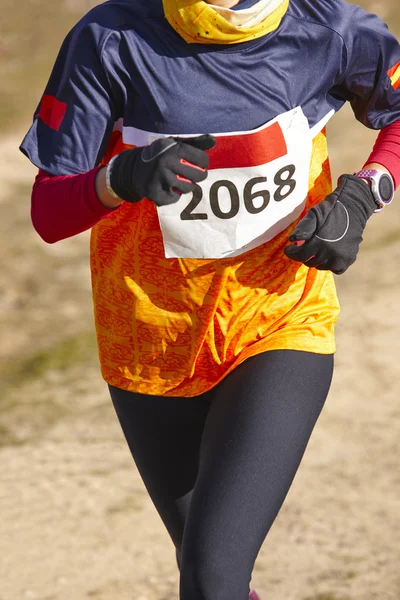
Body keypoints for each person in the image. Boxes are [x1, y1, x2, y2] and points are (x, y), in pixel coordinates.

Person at [20, 0, 400, 598]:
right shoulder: (110, 39)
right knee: (205, 567)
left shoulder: (328, 28)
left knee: (212, 572)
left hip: (278, 319)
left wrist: (362, 194)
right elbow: (47, 212)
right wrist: (119, 179)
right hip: (150, 337)